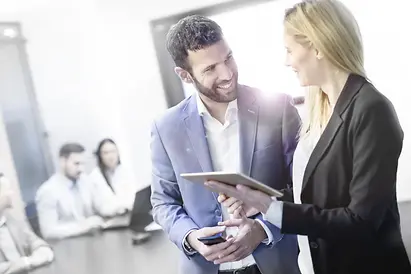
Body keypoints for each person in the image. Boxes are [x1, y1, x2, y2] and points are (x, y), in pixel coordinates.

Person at [205, 1, 411, 274]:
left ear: (316, 46)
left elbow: (361, 220)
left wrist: (271, 207)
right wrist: (258, 200)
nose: (286, 61)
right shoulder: (321, 107)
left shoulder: (371, 109)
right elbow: (317, 192)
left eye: (289, 50)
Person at [150, 15, 301, 274]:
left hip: (276, 262)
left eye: (228, 58)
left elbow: (304, 187)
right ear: (185, 75)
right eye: (210, 69)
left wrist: (264, 228)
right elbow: (163, 202)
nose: (227, 73)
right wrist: (191, 238)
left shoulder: (278, 108)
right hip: (206, 267)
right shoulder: (166, 127)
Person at [36, 143, 110, 239]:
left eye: (83, 164)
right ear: (62, 162)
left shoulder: (84, 180)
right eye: (76, 164)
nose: (81, 169)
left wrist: (119, 207)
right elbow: (49, 232)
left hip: (91, 239)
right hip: (68, 245)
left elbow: (100, 206)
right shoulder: (47, 191)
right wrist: (83, 226)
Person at [89, 138, 151, 240]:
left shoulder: (125, 171)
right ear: (100, 156)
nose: (110, 156)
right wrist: (119, 208)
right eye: (106, 153)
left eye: (113, 151)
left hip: (130, 218)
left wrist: (126, 206)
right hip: (111, 223)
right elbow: (100, 207)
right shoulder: (95, 177)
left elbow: (132, 197)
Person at [0, 173, 54, 274]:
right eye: (8, 189)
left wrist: (42, 251)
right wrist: (25, 263)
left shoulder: (12, 219)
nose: (12, 193)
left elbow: (36, 242)